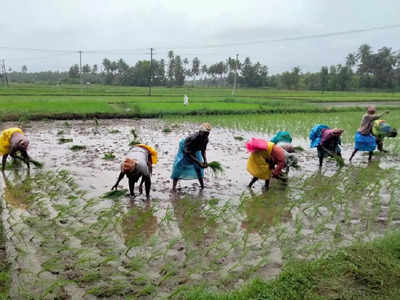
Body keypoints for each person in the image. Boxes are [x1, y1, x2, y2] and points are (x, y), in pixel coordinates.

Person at [171, 123, 211, 191]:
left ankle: (202, 186)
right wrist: (198, 162)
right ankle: (173, 187)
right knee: (179, 166)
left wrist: (205, 161)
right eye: (205, 133)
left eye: (208, 133)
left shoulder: (206, 139)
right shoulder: (193, 138)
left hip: (195, 149)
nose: (206, 135)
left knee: (198, 168)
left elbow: (203, 150)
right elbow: (187, 153)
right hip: (185, 148)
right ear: (200, 132)